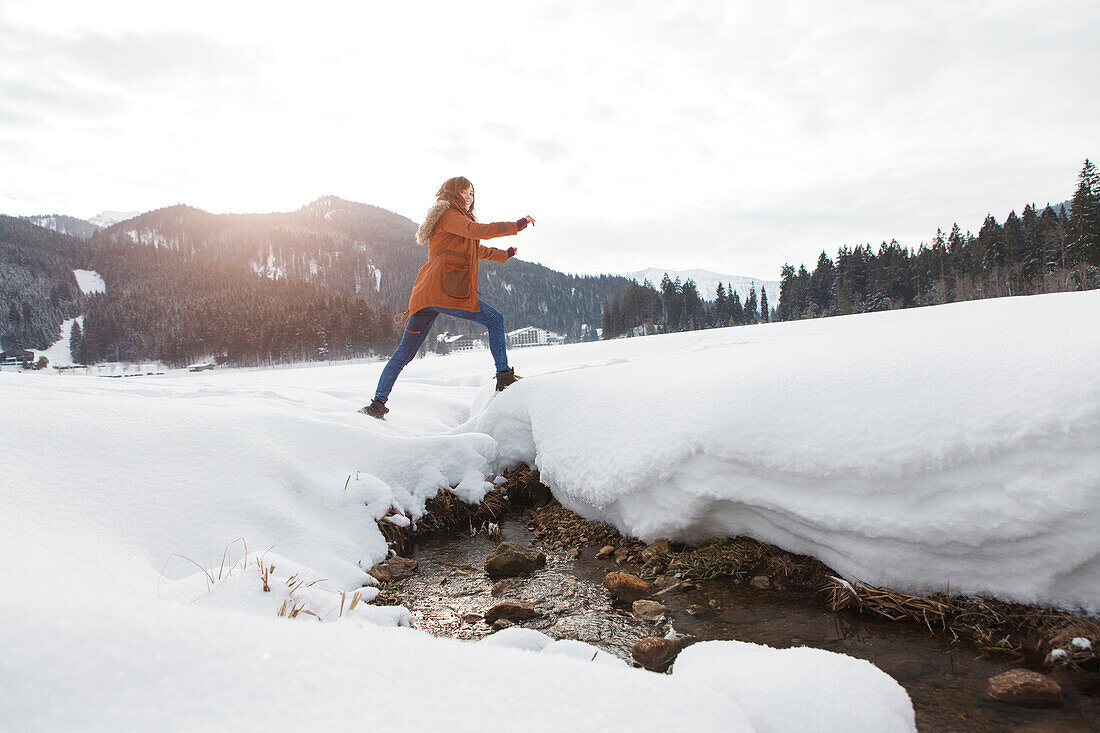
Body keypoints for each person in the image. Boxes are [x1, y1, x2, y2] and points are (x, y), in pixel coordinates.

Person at [360, 176, 535, 419]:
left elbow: (477, 249)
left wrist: (504, 255)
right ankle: (504, 377)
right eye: (464, 192)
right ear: (453, 193)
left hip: (427, 294)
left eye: (472, 193)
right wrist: (515, 226)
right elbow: (477, 231)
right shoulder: (450, 215)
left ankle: (376, 405)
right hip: (446, 290)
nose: (469, 197)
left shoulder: (456, 222)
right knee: (495, 320)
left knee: (404, 353)